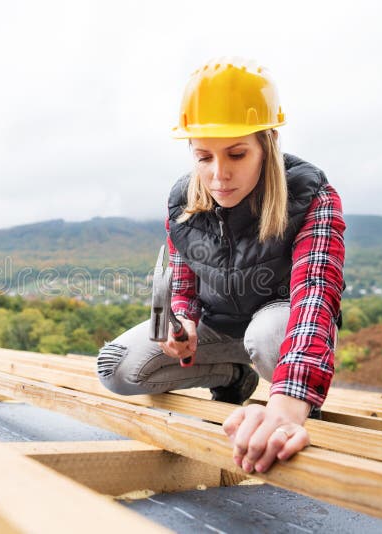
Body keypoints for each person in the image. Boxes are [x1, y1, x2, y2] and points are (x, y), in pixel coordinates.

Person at [96, 57, 346, 474]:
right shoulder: (182, 202)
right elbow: (183, 283)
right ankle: (232, 377)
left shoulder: (312, 195)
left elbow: (315, 299)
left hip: (282, 329)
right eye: (204, 156)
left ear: (267, 143)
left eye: (236, 154)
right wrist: (187, 321)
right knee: (116, 369)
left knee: (268, 337)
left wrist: (284, 409)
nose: (219, 175)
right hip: (222, 329)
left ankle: (295, 407)